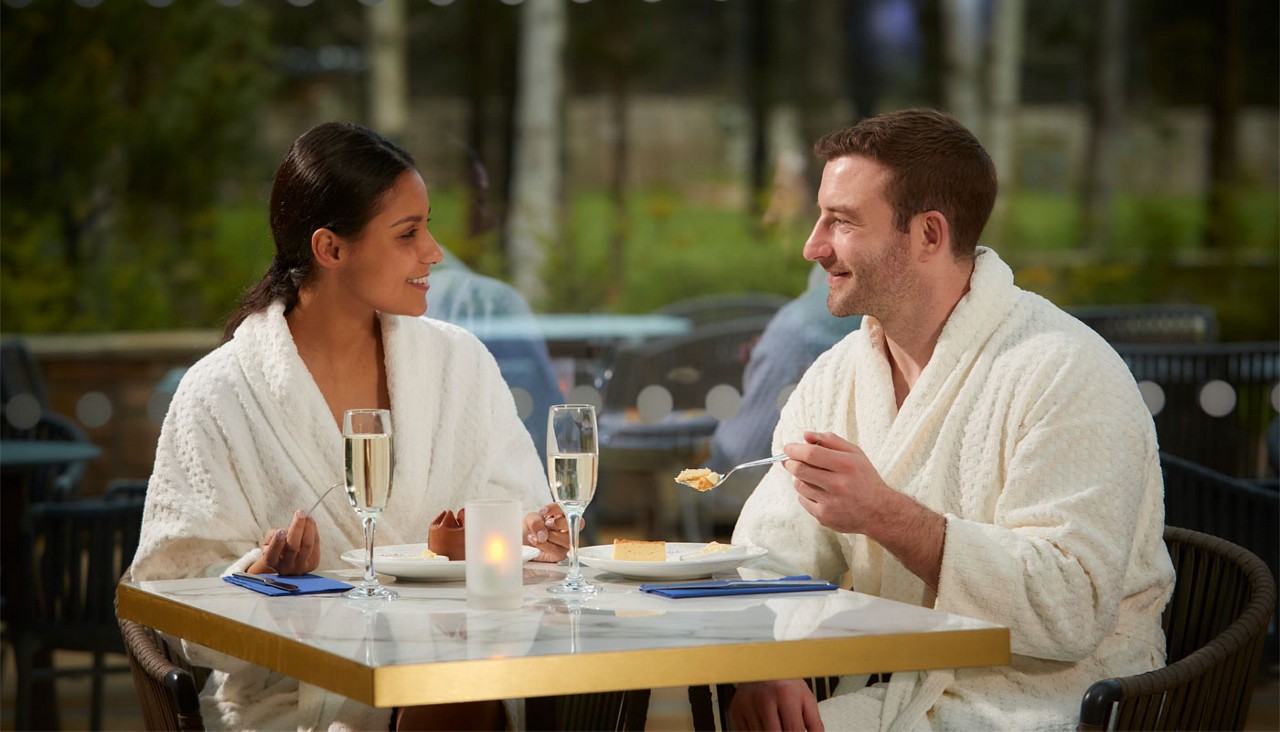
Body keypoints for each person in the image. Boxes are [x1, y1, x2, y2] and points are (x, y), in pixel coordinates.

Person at [729, 109, 1174, 730]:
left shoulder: (1064, 370)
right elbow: (768, 551)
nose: (814, 245)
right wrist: (768, 659)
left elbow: (1070, 605)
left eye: (843, 221)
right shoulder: (836, 377)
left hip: (1047, 703)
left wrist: (884, 513)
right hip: (901, 693)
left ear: (929, 235)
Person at [131, 121, 571, 731]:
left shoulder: (458, 364)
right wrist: (261, 578)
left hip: (456, 681)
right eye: (408, 233)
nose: (435, 252)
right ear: (331, 249)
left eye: (429, 226)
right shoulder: (221, 392)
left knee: (453, 692)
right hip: (299, 700)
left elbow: (521, 525)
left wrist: (533, 539)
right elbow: (170, 597)